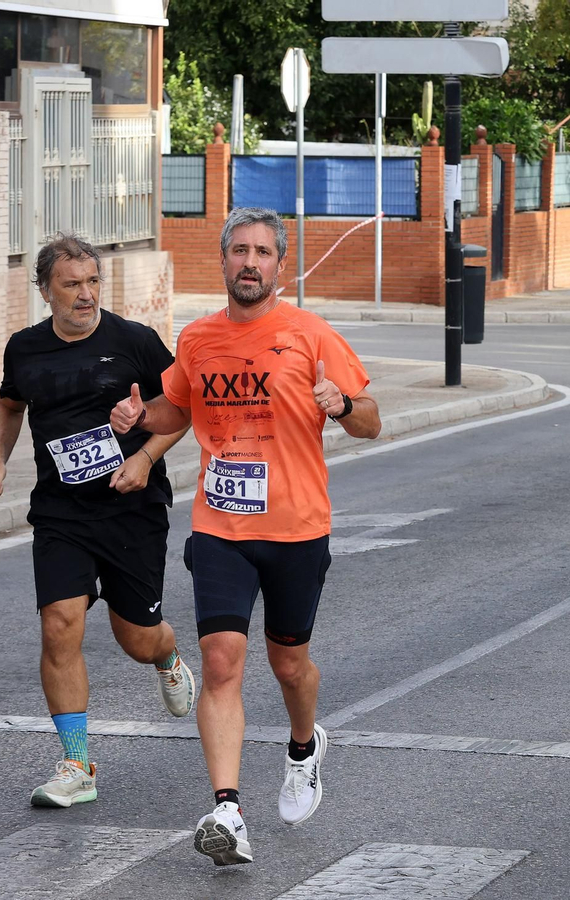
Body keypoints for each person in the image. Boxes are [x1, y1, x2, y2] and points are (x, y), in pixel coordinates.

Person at [110, 207, 382, 866]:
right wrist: (140, 415)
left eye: (262, 251)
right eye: (240, 251)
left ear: (280, 266)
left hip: (295, 528)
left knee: (289, 664)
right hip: (221, 525)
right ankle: (228, 810)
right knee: (224, 662)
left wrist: (341, 406)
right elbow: (181, 404)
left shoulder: (311, 334)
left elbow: (371, 419)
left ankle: (302, 745)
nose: (250, 262)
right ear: (224, 260)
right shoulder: (200, 339)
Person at [0, 234, 196, 809]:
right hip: (61, 510)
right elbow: (8, 405)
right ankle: (78, 763)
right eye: (71, 284)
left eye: (92, 282)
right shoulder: (24, 349)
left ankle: (169, 658)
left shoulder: (134, 342)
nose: (85, 295)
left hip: (132, 509)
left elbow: (185, 408)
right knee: (59, 624)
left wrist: (145, 457)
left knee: (137, 638)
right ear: (45, 291)